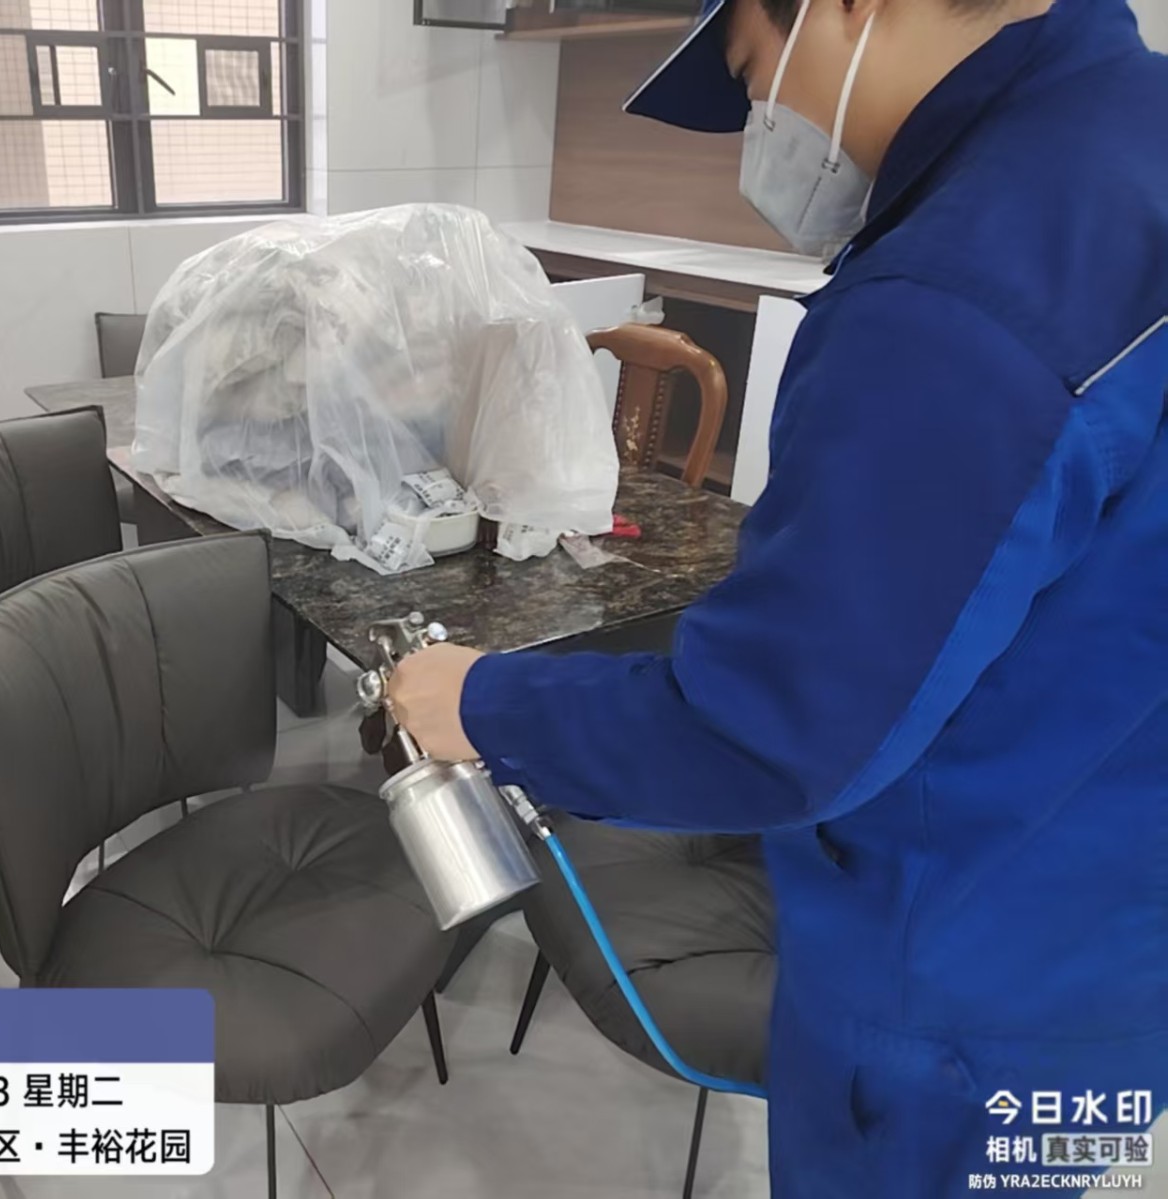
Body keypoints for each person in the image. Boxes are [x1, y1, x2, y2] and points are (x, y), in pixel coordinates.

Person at [387, 0, 1168, 1193]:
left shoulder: (953, 295)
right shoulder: (1134, 140)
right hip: (1108, 929)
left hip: (951, 998)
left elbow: (770, 730)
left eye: (751, 74)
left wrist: (480, 702)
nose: (763, 124)